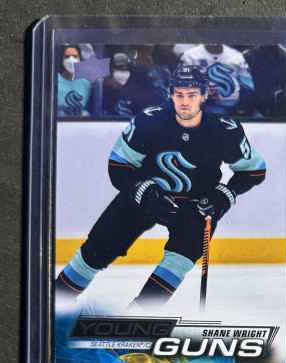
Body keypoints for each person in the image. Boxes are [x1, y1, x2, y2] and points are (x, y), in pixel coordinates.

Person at [55, 63, 266, 313]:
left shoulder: (224, 129)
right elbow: (119, 165)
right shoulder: (149, 120)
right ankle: (56, 302)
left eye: (192, 95)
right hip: (145, 196)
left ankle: (137, 317)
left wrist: (226, 193)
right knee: (97, 249)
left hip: (195, 205)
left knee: (181, 256)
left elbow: (254, 170)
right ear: (171, 95)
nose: (185, 102)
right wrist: (140, 189)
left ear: (204, 96)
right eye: (179, 94)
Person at [179, 43, 256, 116]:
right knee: (219, 115)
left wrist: (244, 105)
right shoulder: (190, 56)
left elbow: (247, 84)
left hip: (236, 106)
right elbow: (182, 84)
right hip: (206, 106)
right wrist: (203, 92)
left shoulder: (237, 56)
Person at [57, 44, 91, 117]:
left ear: (80, 60)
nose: (71, 60)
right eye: (67, 57)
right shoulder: (54, 80)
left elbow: (84, 109)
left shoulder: (85, 83)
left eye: (75, 56)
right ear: (62, 60)